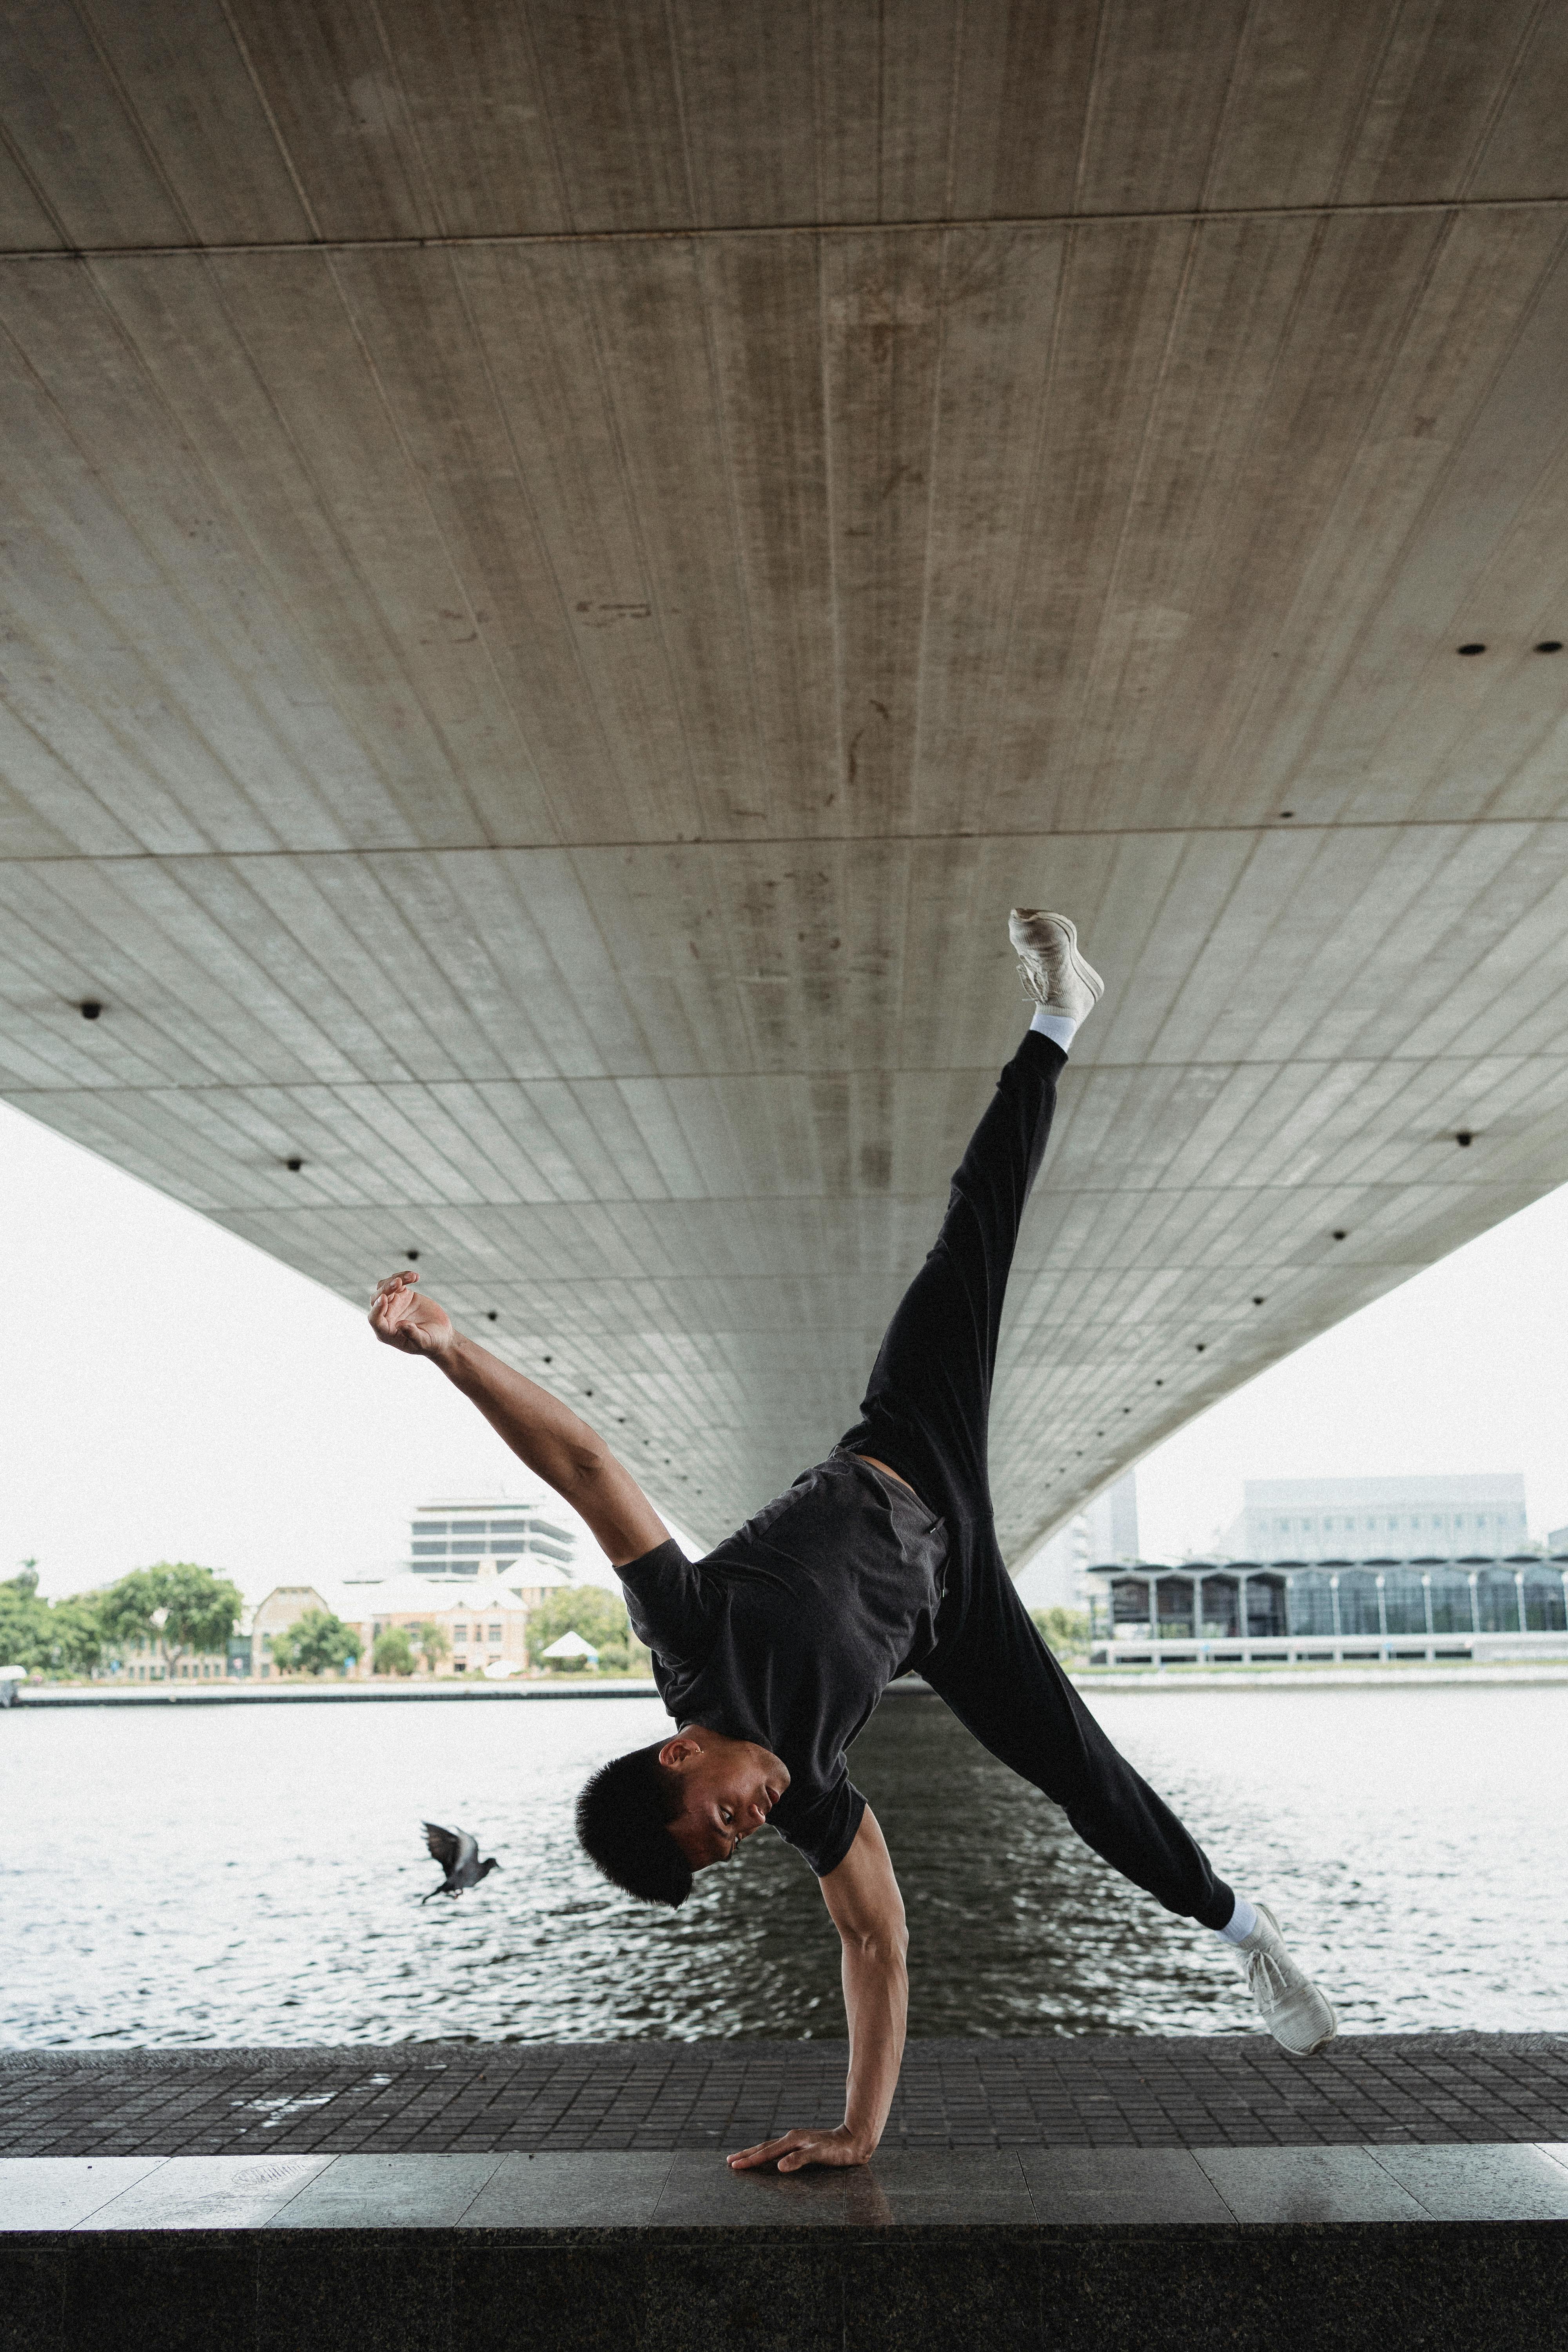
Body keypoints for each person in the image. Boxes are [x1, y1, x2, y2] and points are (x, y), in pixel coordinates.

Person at [370, 910, 1337, 2172]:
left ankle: (1059, 1012)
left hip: (907, 1440)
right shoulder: (811, 1790)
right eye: (736, 1845)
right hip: (962, 1607)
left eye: (719, 1822)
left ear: (683, 1751)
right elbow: (875, 1941)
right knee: (1087, 1782)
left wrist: (450, 1351)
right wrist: (856, 2134)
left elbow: (590, 1466)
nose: (750, 1827)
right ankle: (1244, 1931)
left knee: (971, 1227)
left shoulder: (689, 1635)